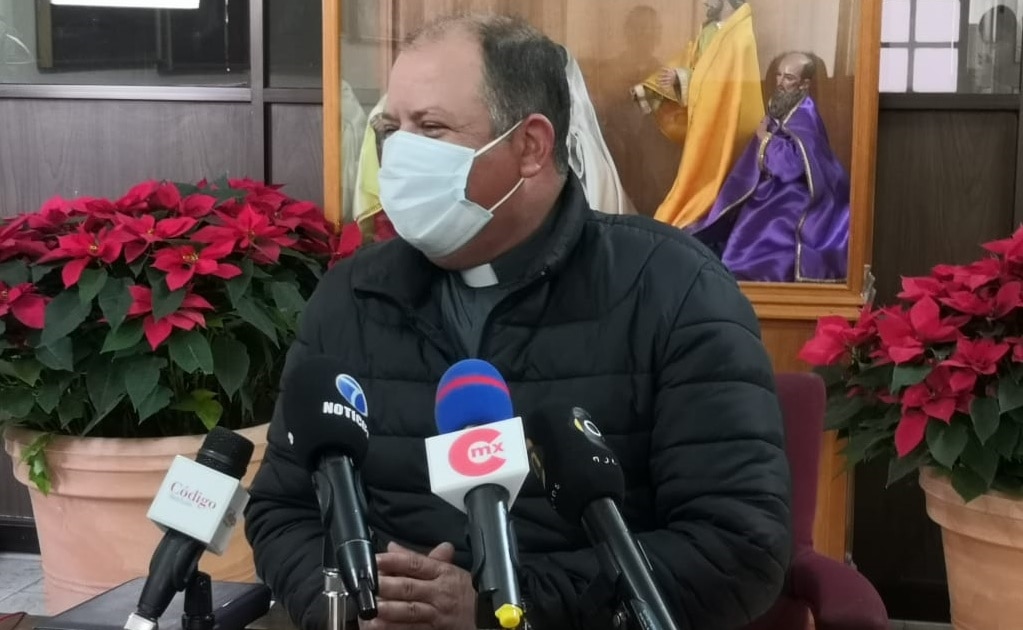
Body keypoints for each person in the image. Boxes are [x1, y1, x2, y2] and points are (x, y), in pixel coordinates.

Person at [245, 12, 791, 630]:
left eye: (430, 128)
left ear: (530, 146)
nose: (397, 153)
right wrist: (353, 605)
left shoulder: (672, 287)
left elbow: (738, 548)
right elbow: (283, 510)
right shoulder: (351, 296)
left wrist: (500, 607)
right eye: (390, 129)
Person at [688, 52, 850, 283]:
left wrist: (764, 137)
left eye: (789, 78)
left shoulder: (805, 115)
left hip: (796, 194)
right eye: (778, 75)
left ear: (804, 84)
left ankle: (752, 274)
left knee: (765, 223)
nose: (780, 82)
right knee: (743, 216)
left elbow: (791, 167)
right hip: (772, 187)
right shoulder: (784, 107)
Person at [632, 0, 765, 229]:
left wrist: (683, 78)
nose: (705, 2)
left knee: (718, 177)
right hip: (704, 116)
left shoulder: (741, 35)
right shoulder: (708, 30)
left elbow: (725, 80)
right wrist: (654, 85)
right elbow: (691, 61)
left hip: (727, 120)